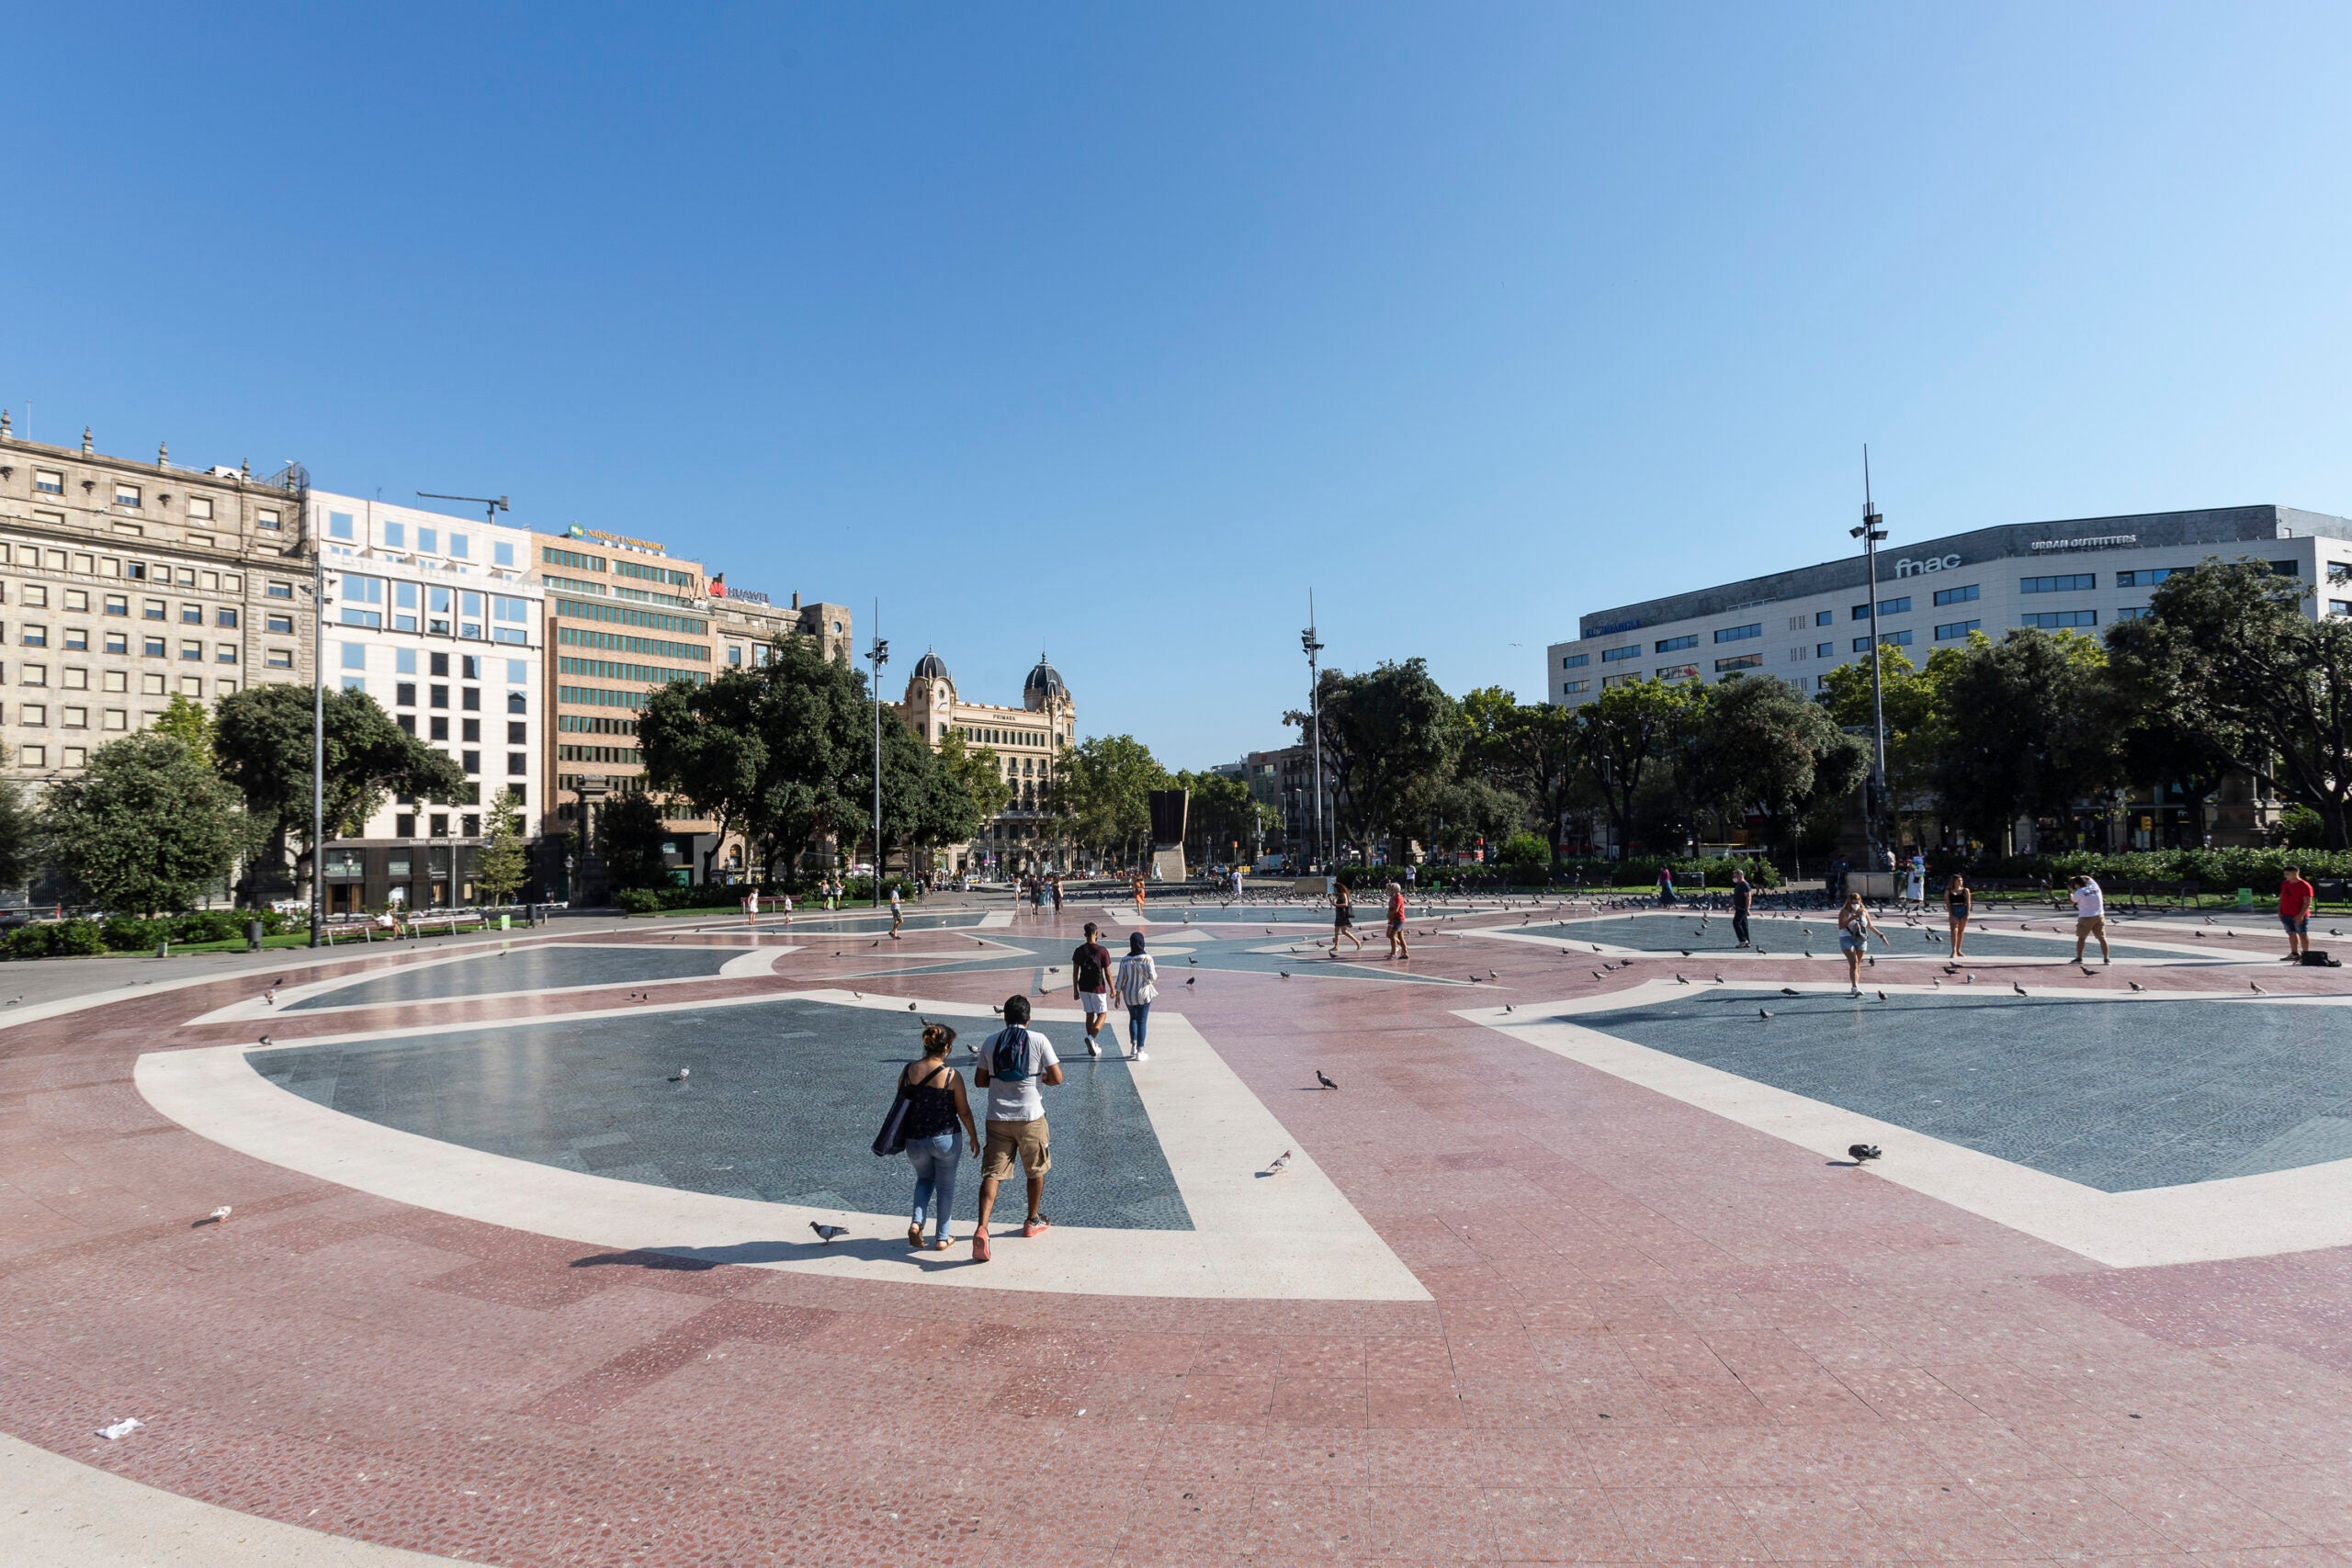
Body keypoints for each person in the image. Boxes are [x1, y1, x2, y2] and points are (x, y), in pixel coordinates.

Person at [971, 995, 1062, 1260]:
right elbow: (1057, 1078)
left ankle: (982, 1228)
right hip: (1031, 1116)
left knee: (992, 1173)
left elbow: (979, 1081)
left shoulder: (990, 1041)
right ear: (1028, 1018)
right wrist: (1038, 1078)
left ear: (1005, 1018)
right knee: (1035, 1170)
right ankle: (1032, 1221)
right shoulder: (1038, 1039)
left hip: (997, 1117)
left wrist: (1001, 1082)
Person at [897, 1022, 978, 1251]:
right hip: (945, 1139)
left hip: (914, 1139)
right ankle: (942, 1238)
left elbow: (901, 1102)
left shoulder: (907, 1070)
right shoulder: (951, 1075)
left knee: (924, 1180)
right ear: (946, 1048)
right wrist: (974, 1137)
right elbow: (964, 1110)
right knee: (946, 1187)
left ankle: (916, 1223)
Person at [1072, 920, 1115, 1057]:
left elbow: (1074, 972)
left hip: (1083, 986)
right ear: (1096, 933)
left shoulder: (1079, 950)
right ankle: (1091, 1039)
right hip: (1098, 987)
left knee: (1089, 1014)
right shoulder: (1102, 951)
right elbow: (1108, 973)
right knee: (1102, 1014)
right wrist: (1113, 989)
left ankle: (1092, 1043)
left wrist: (1075, 990)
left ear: (1085, 934)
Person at [1115, 931, 1159, 1061]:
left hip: (1129, 995)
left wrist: (1117, 994)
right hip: (1144, 995)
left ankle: (1133, 1045)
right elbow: (1153, 977)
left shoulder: (1125, 960)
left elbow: (1120, 979)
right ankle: (1140, 1050)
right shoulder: (1148, 958)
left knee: (1133, 1018)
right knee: (1142, 1021)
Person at [1837, 892, 1879, 997]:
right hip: (1846, 938)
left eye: (1857, 902)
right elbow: (1841, 926)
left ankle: (1855, 986)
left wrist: (1881, 935)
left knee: (1857, 964)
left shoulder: (1864, 911)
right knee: (1853, 963)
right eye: (1853, 902)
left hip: (1861, 939)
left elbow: (1870, 926)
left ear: (1860, 901)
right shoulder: (1844, 911)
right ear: (1849, 902)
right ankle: (1855, 987)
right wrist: (1852, 918)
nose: (1855, 904)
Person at [2068, 874, 2110, 964]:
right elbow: (2089, 878)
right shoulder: (2095, 887)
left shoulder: (2080, 892)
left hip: (2086, 917)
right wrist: (2076, 877)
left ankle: (2079, 958)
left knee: (2081, 938)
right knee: (2102, 938)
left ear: (2077, 885)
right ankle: (2106, 959)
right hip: (2099, 915)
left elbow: (2072, 902)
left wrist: (2070, 892)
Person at [2279, 865, 2315, 961]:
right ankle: (2294, 953)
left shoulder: (2305, 885)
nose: (2286, 876)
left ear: (2295, 873)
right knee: (2291, 934)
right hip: (2286, 913)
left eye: (2288, 874)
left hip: (2299, 914)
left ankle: (2306, 955)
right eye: (2285, 874)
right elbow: (2282, 898)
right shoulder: (2285, 884)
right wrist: (2280, 911)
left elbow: (2307, 902)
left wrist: (2301, 915)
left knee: (2302, 934)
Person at [1330, 880, 1366, 955]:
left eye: (1335, 889)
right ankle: (1336, 946)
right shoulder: (1339, 895)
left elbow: (1345, 904)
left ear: (1338, 888)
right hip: (1339, 915)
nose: (1334, 890)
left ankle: (1357, 942)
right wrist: (1332, 902)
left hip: (1342, 915)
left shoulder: (1343, 894)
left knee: (1344, 931)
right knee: (1337, 930)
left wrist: (1335, 905)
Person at [1946, 873, 1973, 960]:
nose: (1960, 882)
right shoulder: (1948, 891)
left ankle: (1958, 950)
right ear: (1954, 881)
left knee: (1961, 931)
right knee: (1954, 930)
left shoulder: (1966, 890)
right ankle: (1953, 950)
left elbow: (1968, 902)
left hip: (1963, 909)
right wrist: (1951, 914)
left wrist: (1967, 914)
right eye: (1958, 880)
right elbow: (1948, 904)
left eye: (1961, 880)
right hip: (1954, 909)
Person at [1385, 880, 1409, 960]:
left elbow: (1396, 909)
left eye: (1391, 889)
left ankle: (1394, 953)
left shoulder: (1399, 898)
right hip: (1396, 919)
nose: (1389, 890)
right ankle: (1405, 953)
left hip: (1399, 919)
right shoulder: (1395, 897)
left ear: (1395, 890)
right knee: (1400, 937)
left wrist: (1389, 914)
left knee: (1392, 935)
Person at [1729, 868, 1752, 948]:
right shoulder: (1739, 884)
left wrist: (1747, 909)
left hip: (1742, 908)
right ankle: (1747, 942)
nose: (1734, 877)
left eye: (1735, 875)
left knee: (1736, 923)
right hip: (1739, 907)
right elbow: (1736, 897)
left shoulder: (1744, 884)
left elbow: (1748, 897)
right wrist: (1731, 906)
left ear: (1740, 875)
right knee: (1744, 925)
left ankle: (1742, 941)